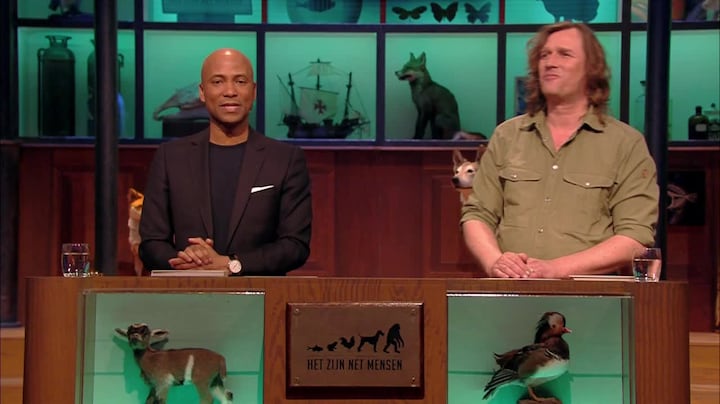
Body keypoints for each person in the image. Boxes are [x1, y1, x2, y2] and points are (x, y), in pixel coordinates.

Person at [461, 22, 659, 279]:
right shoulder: (507, 136)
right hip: (510, 290)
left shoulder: (625, 143)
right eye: (545, 55)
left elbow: (634, 238)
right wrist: (495, 263)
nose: (550, 63)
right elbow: (477, 214)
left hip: (590, 296)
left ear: (591, 68)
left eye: (564, 54)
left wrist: (555, 269)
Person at [139, 48, 312, 275]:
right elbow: (151, 244)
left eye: (240, 81)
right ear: (202, 92)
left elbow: (295, 245)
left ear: (254, 91)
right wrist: (189, 260)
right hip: (188, 292)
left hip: (261, 293)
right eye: (218, 82)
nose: (230, 91)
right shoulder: (170, 157)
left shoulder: (285, 159)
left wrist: (232, 264)